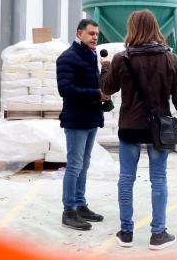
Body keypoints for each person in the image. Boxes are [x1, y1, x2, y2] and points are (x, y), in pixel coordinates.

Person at [100, 10, 177, 250]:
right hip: (158, 128)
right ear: (156, 28)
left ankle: (126, 232)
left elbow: (108, 88)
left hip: (130, 127)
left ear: (132, 28)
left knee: (126, 179)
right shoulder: (171, 59)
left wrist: (105, 69)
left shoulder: (122, 58)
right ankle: (158, 234)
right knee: (159, 179)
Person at [56, 19, 109, 230]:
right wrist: (97, 94)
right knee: (75, 165)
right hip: (76, 120)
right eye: (91, 33)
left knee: (84, 165)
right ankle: (68, 211)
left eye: (97, 34)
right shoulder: (68, 58)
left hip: (90, 118)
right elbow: (66, 90)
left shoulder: (90, 55)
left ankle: (80, 204)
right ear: (79, 33)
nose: (95, 37)